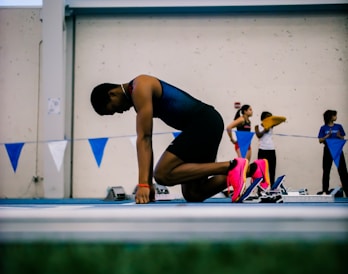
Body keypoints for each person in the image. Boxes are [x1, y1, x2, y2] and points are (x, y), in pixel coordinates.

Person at [90, 75, 269, 203]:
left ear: (112, 94)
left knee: (162, 174)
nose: (119, 112)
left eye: (113, 109)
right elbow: (146, 142)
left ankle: (232, 165)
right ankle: (253, 170)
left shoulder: (139, 86)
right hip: (205, 123)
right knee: (194, 193)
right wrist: (147, 184)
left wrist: (144, 183)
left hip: (204, 122)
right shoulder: (136, 92)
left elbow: (144, 139)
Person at [317, 109, 348, 196]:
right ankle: (325, 191)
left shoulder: (339, 126)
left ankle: (347, 191)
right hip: (328, 150)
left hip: (337, 150)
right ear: (330, 117)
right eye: (334, 115)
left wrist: (339, 136)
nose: (336, 117)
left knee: (343, 171)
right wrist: (327, 136)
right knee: (326, 171)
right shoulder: (323, 128)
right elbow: (320, 140)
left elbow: (342, 138)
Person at [255, 111, 276, 187]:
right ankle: (261, 188)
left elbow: (277, 121)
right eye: (268, 117)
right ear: (263, 118)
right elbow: (258, 135)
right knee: (261, 170)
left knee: (272, 170)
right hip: (262, 150)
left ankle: (272, 188)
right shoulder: (257, 126)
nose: (270, 118)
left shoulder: (271, 125)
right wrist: (264, 130)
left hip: (271, 149)